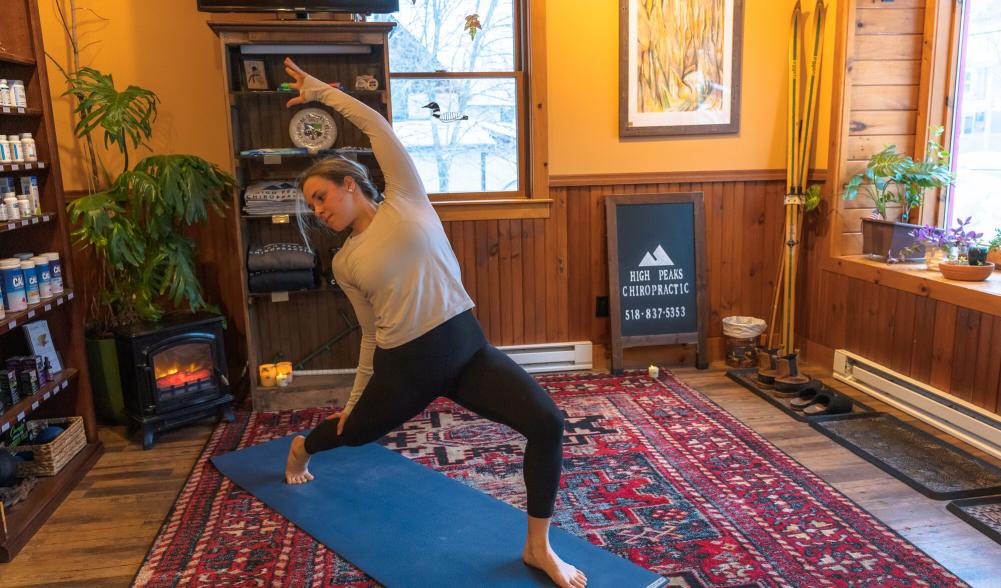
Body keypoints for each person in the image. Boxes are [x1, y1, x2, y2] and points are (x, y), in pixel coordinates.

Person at [281, 58, 587, 588]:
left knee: (547, 422)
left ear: (351, 184)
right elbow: (371, 336)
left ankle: (538, 547)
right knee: (353, 435)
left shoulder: (406, 197)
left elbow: (376, 126)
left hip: (467, 349)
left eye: (322, 197)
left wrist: (320, 93)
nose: (319, 210)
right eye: (312, 206)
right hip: (406, 368)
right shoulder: (344, 262)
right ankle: (302, 446)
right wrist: (355, 403)